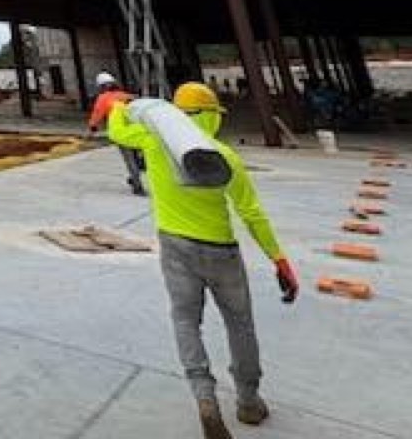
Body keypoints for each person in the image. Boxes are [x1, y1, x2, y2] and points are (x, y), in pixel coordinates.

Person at [108, 82, 299, 439]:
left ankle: (205, 398)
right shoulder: (225, 156)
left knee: (185, 320)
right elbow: (252, 215)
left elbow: (116, 129)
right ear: (212, 116)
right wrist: (279, 260)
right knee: (240, 324)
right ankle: (248, 400)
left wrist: (120, 102)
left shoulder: (153, 144)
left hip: (175, 246)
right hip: (222, 252)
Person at [87, 71, 145, 195]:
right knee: (137, 156)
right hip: (135, 131)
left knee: (129, 159)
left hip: (120, 132)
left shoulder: (103, 98)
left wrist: (93, 126)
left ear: (101, 87)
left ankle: (137, 185)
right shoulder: (125, 96)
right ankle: (135, 175)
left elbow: (97, 113)